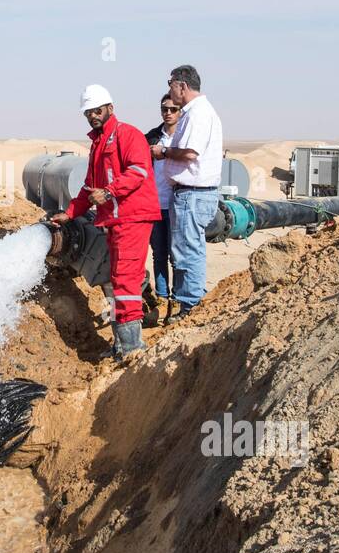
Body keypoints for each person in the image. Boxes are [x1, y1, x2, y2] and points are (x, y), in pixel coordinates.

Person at [49, 84, 160, 359]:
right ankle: (122, 345)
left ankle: (132, 347)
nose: (93, 116)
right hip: (113, 220)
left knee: (125, 279)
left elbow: (139, 171)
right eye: (88, 112)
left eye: (97, 110)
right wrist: (70, 213)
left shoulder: (128, 135)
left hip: (132, 218)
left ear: (110, 108)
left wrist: (110, 192)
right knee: (117, 278)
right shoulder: (98, 143)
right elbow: (89, 186)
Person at [156, 65, 223, 318]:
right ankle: (189, 302)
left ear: (182, 85)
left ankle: (191, 305)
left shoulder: (197, 114)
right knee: (187, 249)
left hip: (192, 194)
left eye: (170, 83)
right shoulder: (197, 112)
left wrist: (162, 152)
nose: (169, 88)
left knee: (187, 251)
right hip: (191, 194)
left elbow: (190, 153)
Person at [145, 93, 180, 324]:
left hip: (178, 206)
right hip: (154, 206)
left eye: (173, 109)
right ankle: (162, 298)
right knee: (158, 255)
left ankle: (177, 302)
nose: (168, 112)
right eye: (164, 108)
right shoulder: (150, 138)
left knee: (177, 255)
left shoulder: (186, 138)